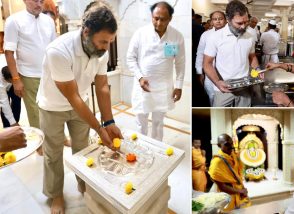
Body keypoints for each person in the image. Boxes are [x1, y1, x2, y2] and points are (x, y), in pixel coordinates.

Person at [36, 2, 122, 213]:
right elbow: (72, 97)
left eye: (110, 42)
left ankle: (84, 182)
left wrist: (109, 122)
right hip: (53, 106)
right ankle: (56, 194)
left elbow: (102, 87)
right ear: (86, 32)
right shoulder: (59, 51)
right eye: (103, 41)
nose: (106, 47)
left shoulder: (101, 51)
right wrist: (100, 129)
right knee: (53, 153)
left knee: (82, 148)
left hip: (80, 103)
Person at [126, 1, 185, 141]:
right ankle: (142, 146)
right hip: (143, 87)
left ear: (170, 18)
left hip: (164, 88)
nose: (158, 23)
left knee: (158, 123)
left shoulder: (176, 36)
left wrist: (179, 86)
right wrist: (140, 77)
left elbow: (180, 63)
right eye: (155, 18)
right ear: (151, 16)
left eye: (163, 19)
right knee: (141, 123)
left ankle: (158, 147)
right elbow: (130, 58)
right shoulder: (140, 34)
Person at [4, 0, 56, 155]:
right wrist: (16, 79)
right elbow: (9, 52)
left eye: (41, 0)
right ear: (25, 0)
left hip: (50, 73)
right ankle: (40, 145)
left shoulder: (48, 21)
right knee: (35, 113)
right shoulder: (14, 21)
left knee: (53, 109)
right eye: (35, 0)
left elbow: (54, 47)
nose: (39, 4)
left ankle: (55, 139)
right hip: (28, 75)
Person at [203, 0, 259, 107]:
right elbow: (207, 64)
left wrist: (256, 70)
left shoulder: (249, 36)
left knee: (243, 117)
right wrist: (217, 82)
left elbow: (252, 57)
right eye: (239, 23)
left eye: (246, 22)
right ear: (228, 20)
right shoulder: (215, 37)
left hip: (244, 86)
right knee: (220, 117)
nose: (243, 26)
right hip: (223, 88)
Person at [209, 134, 251, 211]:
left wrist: (242, 188)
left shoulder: (233, 155)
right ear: (219, 145)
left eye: (231, 143)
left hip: (239, 194)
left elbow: (237, 175)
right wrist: (241, 191)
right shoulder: (217, 162)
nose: (231, 146)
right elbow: (222, 186)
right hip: (227, 198)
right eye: (227, 144)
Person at [195, 10, 227, 105]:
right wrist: (199, 72)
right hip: (210, 72)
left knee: (225, 96)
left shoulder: (230, 34)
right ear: (211, 21)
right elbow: (200, 53)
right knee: (211, 96)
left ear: (225, 20)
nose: (218, 21)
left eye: (220, 19)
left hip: (226, 72)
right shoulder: (206, 35)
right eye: (215, 19)